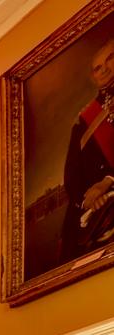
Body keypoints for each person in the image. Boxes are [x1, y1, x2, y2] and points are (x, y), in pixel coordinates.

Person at [61, 37, 114, 262]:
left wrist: (107, 181)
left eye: (110, 59)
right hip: (96, 213)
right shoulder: (84, 121)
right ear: (94, 77)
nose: (105, 69)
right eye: (98, 68)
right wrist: (87, 200)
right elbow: (71, 175)